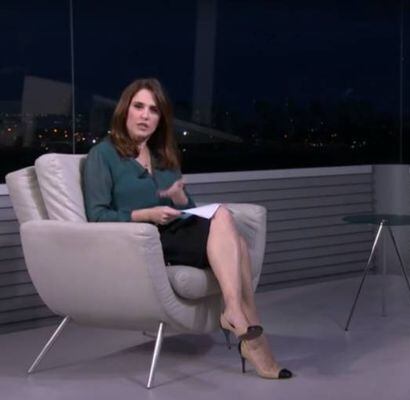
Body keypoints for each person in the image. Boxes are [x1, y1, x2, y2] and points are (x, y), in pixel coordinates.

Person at [82, 78, 291, 380]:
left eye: (153, 110)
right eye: (138, 106)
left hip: (177, 231)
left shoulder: (163, 156)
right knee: (234, 237)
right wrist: (146, 214)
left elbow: (186, 209)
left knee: (227, 225)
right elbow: (97, 216)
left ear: (161, 118)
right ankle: (249, 332)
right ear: (124, 110)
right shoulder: (103, 155)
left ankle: (239, 320)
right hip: (145, 239)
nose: (145, 115)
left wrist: (181, 199)